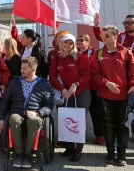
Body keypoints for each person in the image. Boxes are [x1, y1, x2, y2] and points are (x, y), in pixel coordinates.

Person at [0, 56, 53, 168]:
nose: (21, 70)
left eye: (24, 68)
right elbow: (5, 100)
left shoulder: (44, 84)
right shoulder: (15, 81)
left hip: (34, 114)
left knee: (33, 121)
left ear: (33, 69)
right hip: (17, 113)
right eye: (21, 68)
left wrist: (38, 113)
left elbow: (49, 106)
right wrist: (1, 119)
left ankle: (28, 154)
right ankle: (18, 153)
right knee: (13, 118)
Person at [91, 25, 134, 166]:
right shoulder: (98, 53)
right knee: (108, 126)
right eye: (103, 35)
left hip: (123, 97)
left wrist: (132, 85)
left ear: (115, 36)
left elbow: (132, 74)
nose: (104, 37)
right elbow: (94, 74)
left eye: (107, 35)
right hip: (104, 95)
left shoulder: (127, 53)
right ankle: (110, 154)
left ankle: (121, 156)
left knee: (122, 127)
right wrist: (106, 83)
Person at [49, 34, 91, 162]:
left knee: (78, 122)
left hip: (81, 92)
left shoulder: (79, 57)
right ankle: (70, 147)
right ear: (60, 44)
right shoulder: (56, 58)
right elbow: (52, 76)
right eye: (65, 43)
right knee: (67, 120)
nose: (67, 45)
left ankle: (78, 150)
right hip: (66, 93)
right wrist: (62, 89)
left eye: (70, 43)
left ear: (73, 45)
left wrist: (76, 84)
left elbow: (87, 74)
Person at [76, 34, 104, 145]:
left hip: (93, 87)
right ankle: (79, 135)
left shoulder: (95, 53)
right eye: (77, 39)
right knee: (80, 112)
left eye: (81, 40)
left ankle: (100, 135)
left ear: (88, 42)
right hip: (80, 87)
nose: (78, 41)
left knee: (96, 112)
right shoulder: (74, 53)